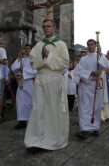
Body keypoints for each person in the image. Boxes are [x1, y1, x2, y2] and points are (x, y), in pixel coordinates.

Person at [24, 19, 69, 151]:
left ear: (55, 28)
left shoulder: (61, 44)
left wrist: (49, 55)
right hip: (40, 79)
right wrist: (43, 58)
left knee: (53, 110)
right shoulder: (38, 45)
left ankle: (53, 140)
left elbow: (65, 63)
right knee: (38, 109)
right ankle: (36, 139)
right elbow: (32, 62)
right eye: (44, 27)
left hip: (54, 79)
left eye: (49, 26)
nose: (46, 29)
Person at [72, 39, 109, 139]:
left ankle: (95, 128)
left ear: (95, 46)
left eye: (92, 44)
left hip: (97, 85)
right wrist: (91, 73)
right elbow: (79, 71)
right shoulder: (83, 59)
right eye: (88, 45)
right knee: (85, 107)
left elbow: (107, 66)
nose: (90, 46)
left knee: (96, 107)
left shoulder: (99, 56)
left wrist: (101, 54)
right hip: (86, 85)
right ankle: (84, 129)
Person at [11, 44, 37, 129]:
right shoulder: (23, 59)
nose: (26, 50)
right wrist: (19, 58)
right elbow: (13, 67)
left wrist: (24, 70)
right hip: (22, 83)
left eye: (28, 49)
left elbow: (37, 71)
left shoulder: (35, 59)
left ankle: (32, 121)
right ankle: (22, 122)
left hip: (31, 83)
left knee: (31, 103)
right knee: (20, 103)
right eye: (25, 49)